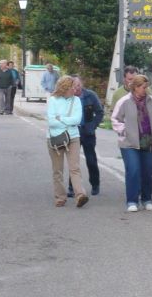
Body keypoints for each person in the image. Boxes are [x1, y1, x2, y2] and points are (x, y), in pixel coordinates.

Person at [111, 74, 152, 212]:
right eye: (143, 87)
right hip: (129, 143)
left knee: (147, 171)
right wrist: (125, 131)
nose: (145, 90)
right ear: (135, 87)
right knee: (133, 170)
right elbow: (115, 119)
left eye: (146, 87)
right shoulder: (124, 101)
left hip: (148, 141)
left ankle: (147, 199)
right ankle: (132, 201)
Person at [46, 75, 89, 208]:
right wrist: (67, 122)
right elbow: (51, 122)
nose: (75, 90)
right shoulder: (53, 100)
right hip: (55, 137)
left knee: (74, 168)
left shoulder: (76, 100)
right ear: (64, 88)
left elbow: (77, 120)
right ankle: (60, 197)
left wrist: (60, 119)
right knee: (57, 170)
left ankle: (80, 195)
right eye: (72, 88)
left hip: (73, 137)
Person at [67, 76, 104, 197]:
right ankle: (72, 187)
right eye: (74, 86)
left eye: (78, 85)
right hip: (74, 133)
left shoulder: (90, 95)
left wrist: (93, 125)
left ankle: (95, 184)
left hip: (88, 133)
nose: (77, 88)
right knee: (74, 162)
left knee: (91, 160)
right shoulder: (68, 97)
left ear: (81, 84)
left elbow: (100, 112)